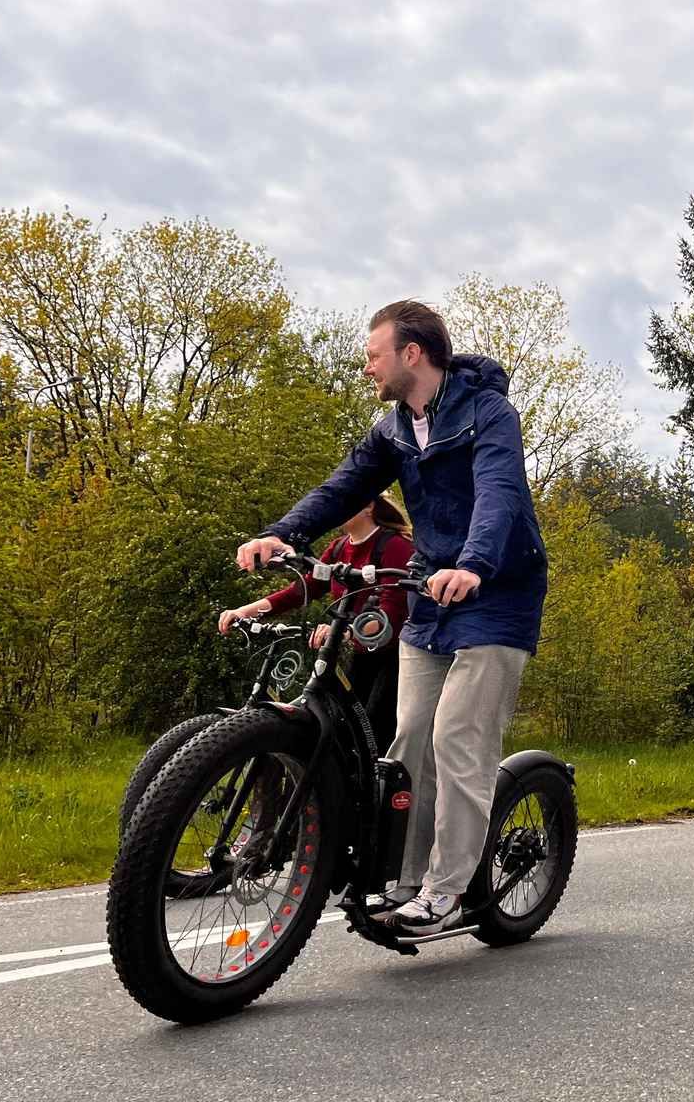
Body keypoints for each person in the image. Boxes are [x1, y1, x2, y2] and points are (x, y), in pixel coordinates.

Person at [234, 299, 548, 936]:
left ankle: (448, 891)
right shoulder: (395, 430)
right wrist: (282, 534)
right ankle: (407, 883)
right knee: (407, 742)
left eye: (374, 353)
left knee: (458, 738)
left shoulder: (488, 413)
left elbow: (499, 492)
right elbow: (343, 489)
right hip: (432, 588)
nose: (367, 365)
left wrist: (476, 564)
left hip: (497, 588)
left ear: (412, 353)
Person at [218, 494, 415, 752]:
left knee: (376, 733)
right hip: (358, 655)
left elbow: (393, 610)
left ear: (369, 505)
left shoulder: (395, 546)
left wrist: (343, 629)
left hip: (396, 658)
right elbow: (302, 589)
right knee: (338, 731)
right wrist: (246, 611)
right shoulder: (338, 548)